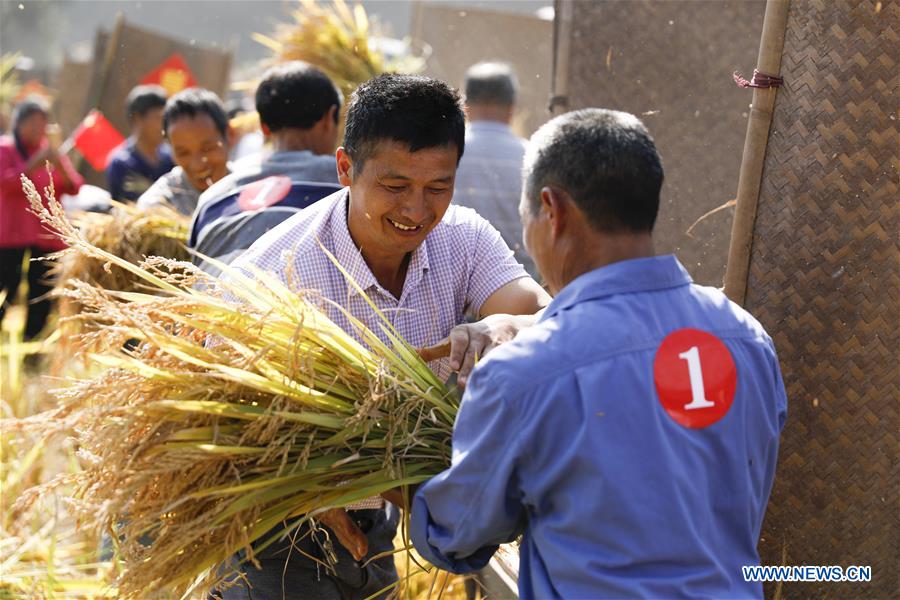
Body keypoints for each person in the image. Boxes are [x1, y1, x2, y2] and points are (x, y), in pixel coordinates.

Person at [408, 109, 788, 598]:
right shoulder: (746, 339)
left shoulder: (524, 375)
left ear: (552, 210)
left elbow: (457, 535)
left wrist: (414, 481)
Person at [217, 74, 550, 599]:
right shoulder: (280, 273)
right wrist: (304, 486)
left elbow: (552, 319)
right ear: (346, 168)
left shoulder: (463, 239)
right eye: (395, 187)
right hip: (277, 525)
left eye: (437, 187)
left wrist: (509, 325)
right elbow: (217, 417)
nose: (417, 211)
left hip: (378, 524)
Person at [189, 61, 343, 268]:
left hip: (210, 298)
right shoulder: (347, 183)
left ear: (263, 127)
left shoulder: (213, 198)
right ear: (329, 118)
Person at [0, 97, 83, 339]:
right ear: (19, 123)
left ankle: (31, 352)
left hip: (46, 237)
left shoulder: (50, 152)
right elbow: (5, 182)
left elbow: (74, 186)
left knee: (41, 295)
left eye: (42, 124)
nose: (38, 129)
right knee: (6, 289)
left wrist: (59, 162)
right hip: (10, 236)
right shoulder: (4, 149)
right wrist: (32, 164)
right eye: (32, 123)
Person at [453, 62, 535, 277]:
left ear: (465, 104)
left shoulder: (447, 151)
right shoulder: (531, 156)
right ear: (512, 107)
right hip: (518, 285)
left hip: (456, 282)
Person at [137, 88, 231, 217]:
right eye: (183, 153)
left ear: (229, 135)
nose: (197, 165)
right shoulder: (158, 208)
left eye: (207, 148)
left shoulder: (254, 188)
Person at [105, 85, 173, 202]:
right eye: (159, 118)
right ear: (138, 118)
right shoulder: (121, 163)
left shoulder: (171, 159)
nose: (164, 126)